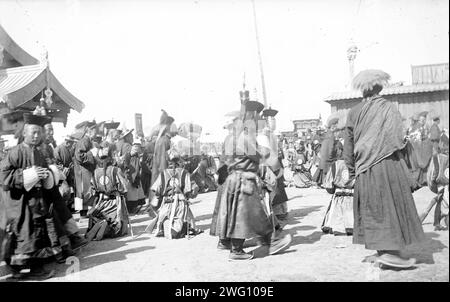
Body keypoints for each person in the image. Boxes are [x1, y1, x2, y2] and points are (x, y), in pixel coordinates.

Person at [344, 69, 425, 269]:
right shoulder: (389, 108)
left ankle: (385, 251)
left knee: (374, 209)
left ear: (361, 91)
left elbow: (348, 146)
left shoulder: (353, 112)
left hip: (364, 168)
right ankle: (389, 254)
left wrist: (353, 173)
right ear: (381, 88)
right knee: (390, 206)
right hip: (388, 166)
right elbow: (398, 138)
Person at [210, 99, 291, 261]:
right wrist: (276, 170)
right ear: (253, 115)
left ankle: (235, 247)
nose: (259, 119)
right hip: (243, 181)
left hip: (235, 180)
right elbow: (261, 157)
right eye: (258, 116)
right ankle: (267, 243)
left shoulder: (236, 135)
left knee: (241, 215)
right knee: (254, 214)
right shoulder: (246, 137)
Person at [0, 113, 57, 280]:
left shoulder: (39, 153)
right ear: (24, 133)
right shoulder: (15, 152)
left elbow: (46, 176)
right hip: (19, 202)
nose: (36, 135)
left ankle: (36, 269)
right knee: (21, 234)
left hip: (36, 201)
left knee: (37, 233)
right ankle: (16, 270)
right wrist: (25, 176)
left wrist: (47, 174)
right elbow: (3, 175)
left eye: (39, 132)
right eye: (33, 132)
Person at [150, 148, 202, 239]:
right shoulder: (184, 173)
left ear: (167, 160)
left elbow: (157, 190)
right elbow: (193, 189)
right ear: (178, 159)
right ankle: (189, 228)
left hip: (167, 203)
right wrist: (190, 195)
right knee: (187, 217)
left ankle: (163, 228)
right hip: (181, 204)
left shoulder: (163, 173)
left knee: (163, 216)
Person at [85, 142, 130, 241]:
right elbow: (124, 187)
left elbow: (92, 191)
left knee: (98, 216)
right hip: (115, 203)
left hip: (102, 203)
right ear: (110, 159)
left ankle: (101, 225)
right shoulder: (115, 170)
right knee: (117, 227)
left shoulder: (95, 172)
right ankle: (107, 227)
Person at [420, 134, 449, 230]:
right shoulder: (441, 157)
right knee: (441, 200)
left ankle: (436, 222)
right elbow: (438, 173)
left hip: (439, 182)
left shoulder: (438, 155)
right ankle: (437, 223)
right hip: (441, 182)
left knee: (438, 200)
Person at [73, 121, 97, 214]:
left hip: (85, 170)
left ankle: (84, 212)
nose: (96, 133)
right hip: (83, 171)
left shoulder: (88, 140)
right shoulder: (84, 140)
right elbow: (79, 156)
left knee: (83, 191)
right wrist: (92, 153)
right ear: (89, 130)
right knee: (84, 191)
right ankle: (84, 213)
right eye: (94, 130)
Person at [312, 117, 339, 187]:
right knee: (328, 171)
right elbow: (330, 148)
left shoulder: (327, 134)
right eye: (336, 125)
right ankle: (326, 183)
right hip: (328, 158)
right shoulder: (331, 135)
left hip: (324, 157)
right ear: (333, 126)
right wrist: (332, 157)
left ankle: (321, 182)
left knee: (323, 169)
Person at [123, 138, 146, 214]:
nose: (137, 148)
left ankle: (135, 208)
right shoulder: (128, 155)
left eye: (138, 147)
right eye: (135, 146)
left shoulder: (136, 155)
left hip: (136, 176)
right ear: (132, 147)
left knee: (137, 193)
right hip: (130, 177)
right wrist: (128, 175)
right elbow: (126, 166)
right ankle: (131, 209)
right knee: (131, 193)